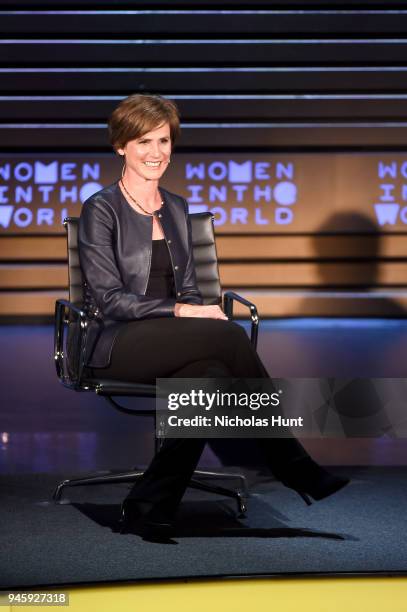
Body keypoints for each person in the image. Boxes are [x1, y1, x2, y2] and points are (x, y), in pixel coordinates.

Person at [78, 93, 348, 539]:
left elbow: (190, 288)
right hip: (117, 342)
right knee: (228, 338)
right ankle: (292, 463)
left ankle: (150, 505)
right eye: (143, 141)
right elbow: (109, 300)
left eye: (164, 141)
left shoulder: (178, 209)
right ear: (120, 146)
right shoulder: (101, 209)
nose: (156, 152)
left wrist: (190, 307)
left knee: (207, 373)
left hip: (173, 339)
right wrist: (185, 310)